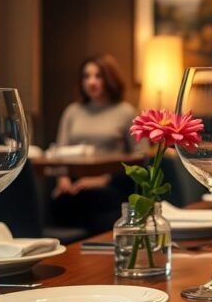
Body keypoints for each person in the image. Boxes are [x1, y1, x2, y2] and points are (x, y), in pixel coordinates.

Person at [52, 54, 144, 233]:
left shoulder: (125, 112)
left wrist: (101, 180)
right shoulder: (72, 112)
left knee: (99, 202)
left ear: (109, 79)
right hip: (74, 186)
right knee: (61, 202)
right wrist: (62, 180)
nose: (91, 82)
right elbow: (59, 152)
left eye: (98, 76)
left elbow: (140, 156)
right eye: (87, 76)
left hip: (110, 185)